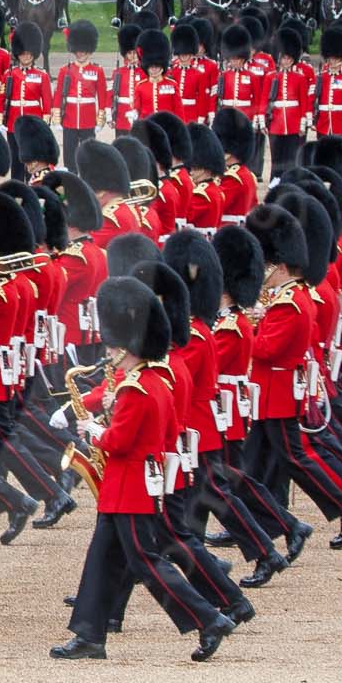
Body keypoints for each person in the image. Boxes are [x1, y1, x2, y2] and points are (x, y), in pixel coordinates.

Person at [52, 277, 235, 661]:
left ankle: (208, 619)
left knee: (145, 560)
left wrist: (92, 430)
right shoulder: (154, 378)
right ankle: (89, 635)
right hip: (128, 484)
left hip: (131, 486)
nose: (109, 351)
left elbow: (119, 441)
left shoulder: (137, 388)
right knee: (102, 558)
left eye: (113, 344)